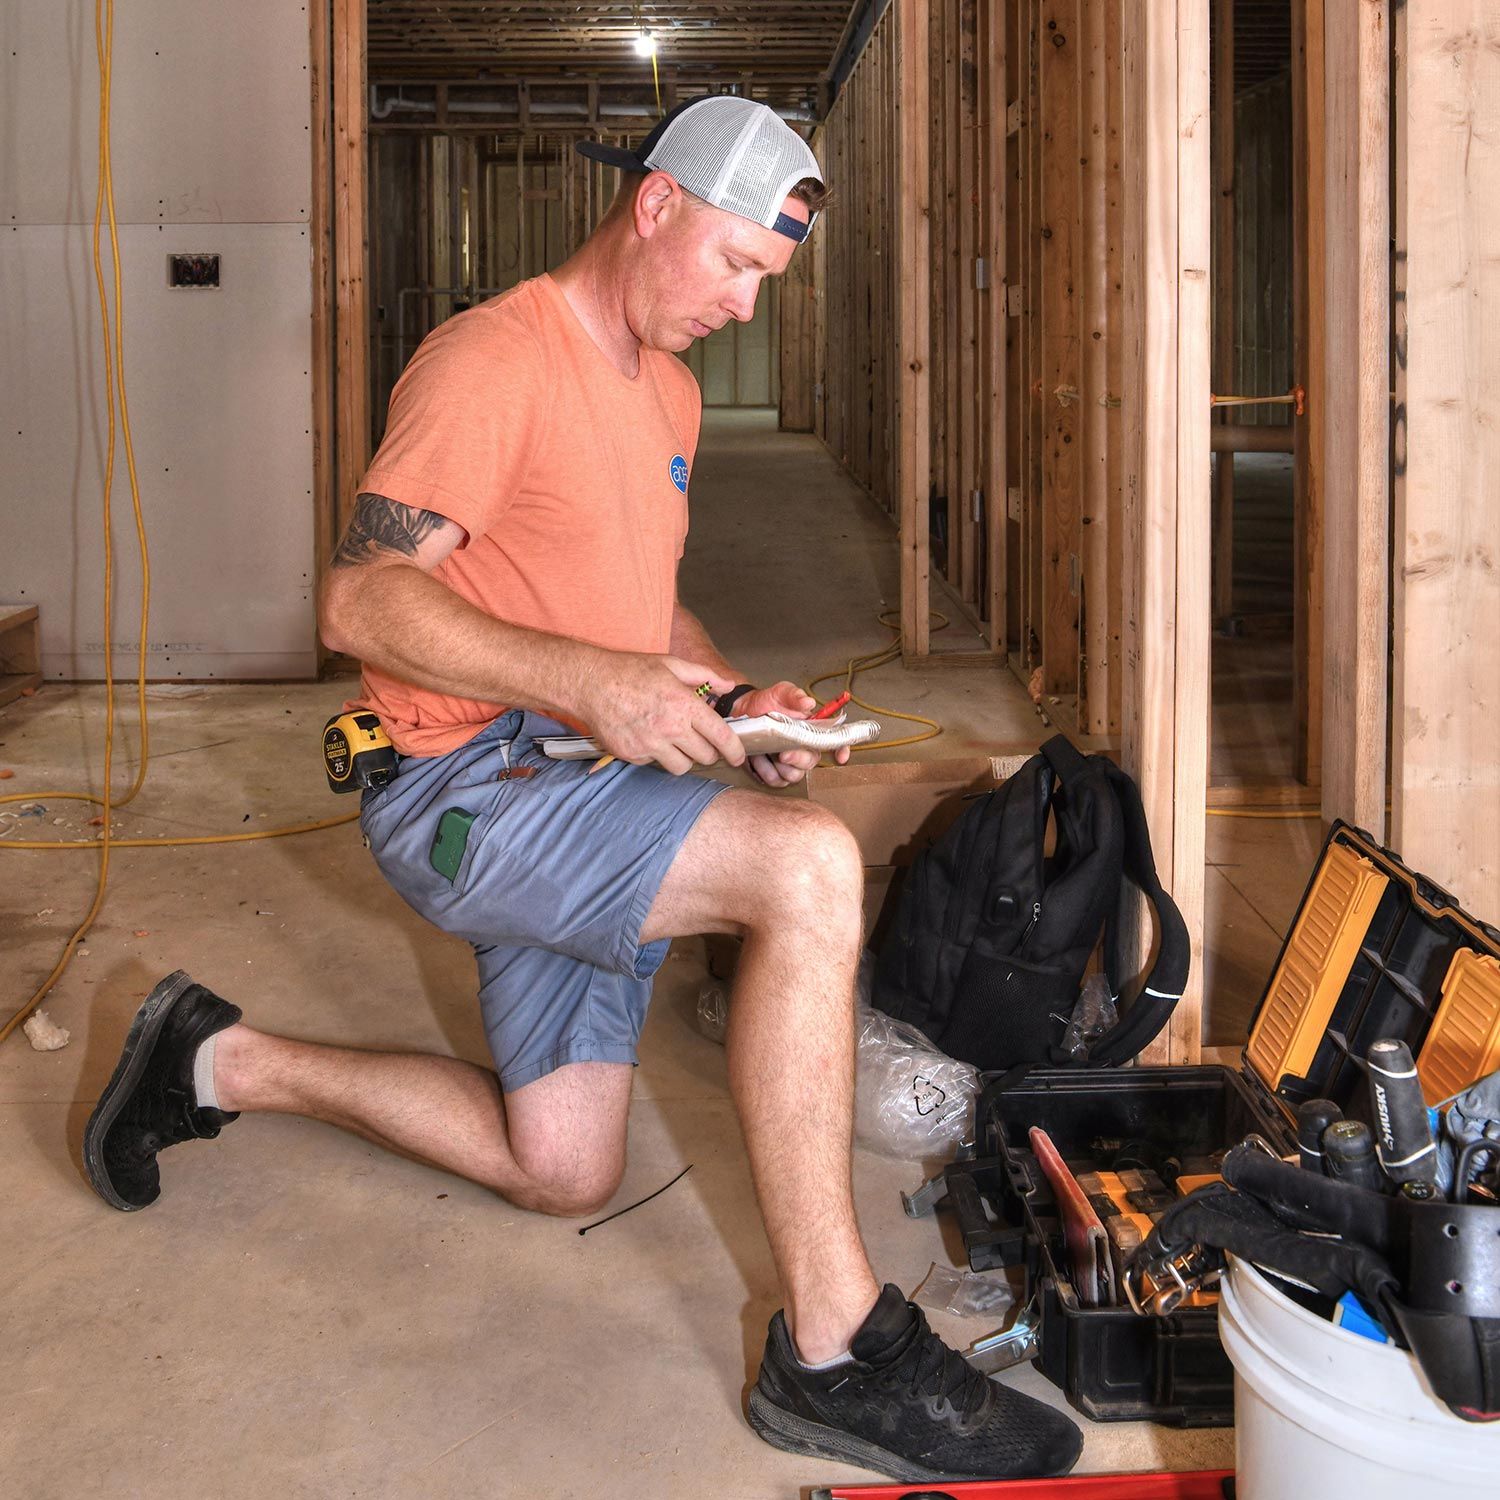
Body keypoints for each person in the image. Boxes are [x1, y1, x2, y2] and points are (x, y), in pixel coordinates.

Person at [82, 97, 1082, 1484]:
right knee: (802, 872)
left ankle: (206, 1057)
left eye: (766, 284)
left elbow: (640, 595)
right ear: (658, 204)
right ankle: (838, 1346)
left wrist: (731, 703)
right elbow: (364, 598)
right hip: (467, 790)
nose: (744, 305)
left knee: (563, 1167)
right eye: (736, 265)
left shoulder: (663, 390)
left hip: (582, 781)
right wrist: (587, 685)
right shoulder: (493, 360)